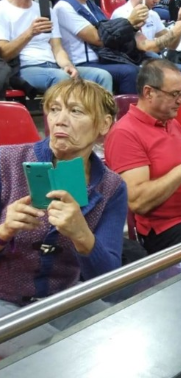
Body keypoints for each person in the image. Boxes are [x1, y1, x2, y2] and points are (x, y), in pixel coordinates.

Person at [0, 78, 126, 314]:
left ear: (104, 124)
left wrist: (82, 236)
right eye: (54, 109)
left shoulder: (112, 187)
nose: (60, 120)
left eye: (76, 111)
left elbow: (110, 284)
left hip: (64, 299)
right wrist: (4, 231)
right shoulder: (5, 162)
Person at [104, 59, 181, 254]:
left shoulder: (171, 122)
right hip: (173, 229)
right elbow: (138, 201)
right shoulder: (124, 133)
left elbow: (176, 176)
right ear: (148, 93)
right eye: (174, 94)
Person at [0, 0, 113, 92]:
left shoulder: (45, 9)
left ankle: (103, 107)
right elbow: (5, 53)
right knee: (62, 78)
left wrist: (67, 65)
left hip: (54, 66)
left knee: (101, 76)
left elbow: (57, 48)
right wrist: (30, 33)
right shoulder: (3, 9)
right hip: (25, 68)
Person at [53, 0, 146, 94]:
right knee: (130, 72)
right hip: (83, 64)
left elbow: (109, 33)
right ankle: (125, 107)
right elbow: (98, 38)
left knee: (148, 63)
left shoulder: (92, 5)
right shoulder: (63, 7)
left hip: (103, 59)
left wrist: (133, 27)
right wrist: (129, 22)